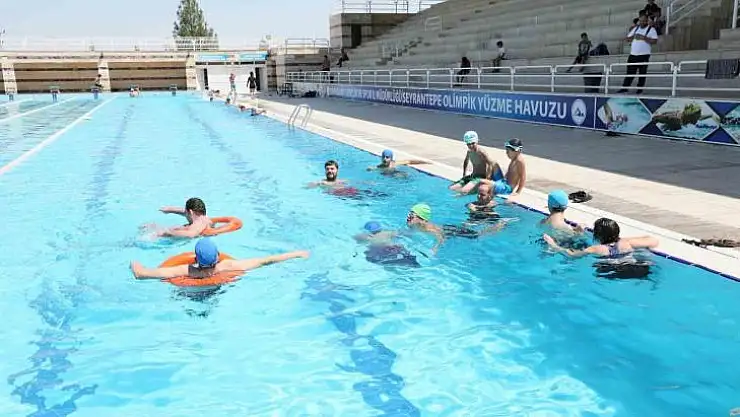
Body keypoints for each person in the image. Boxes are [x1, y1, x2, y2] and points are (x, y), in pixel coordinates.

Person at [130, 237, 309, 280]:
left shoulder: (185, 270)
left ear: (195, 258)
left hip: (190, 293)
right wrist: (296, 254)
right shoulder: (227, 266)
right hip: (218, 291)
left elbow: (141, 274)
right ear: (217, 256)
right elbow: (266, 260)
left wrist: (133, 263)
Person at [543, 217, 658, 258]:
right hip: (630, 262)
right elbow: (654, 241)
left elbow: (572, 254)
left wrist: (553, 245)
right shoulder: (626, 243)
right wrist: (639, 238)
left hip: (611, 270)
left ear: (598, 235)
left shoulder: (597, 249)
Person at [617, 12, 658, 95]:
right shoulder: (636, 29)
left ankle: (639, 90)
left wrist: (644, 38)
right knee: (629, 73)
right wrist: (634, 36)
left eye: (644, 21)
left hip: (644, 55)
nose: (642, 22)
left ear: (647, 21)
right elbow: (627, 39)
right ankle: (624, 89)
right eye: (641, 21)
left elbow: (654, 41)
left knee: (642, 74)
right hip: (633, 55)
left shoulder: (651, 29)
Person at [354, 221, 420, 268]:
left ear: (368, 231)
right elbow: (403, 233)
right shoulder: (388, 232)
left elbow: (356, 239)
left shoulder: (368, 237)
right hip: (394, 249)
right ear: (380, 228)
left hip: (380, 252)